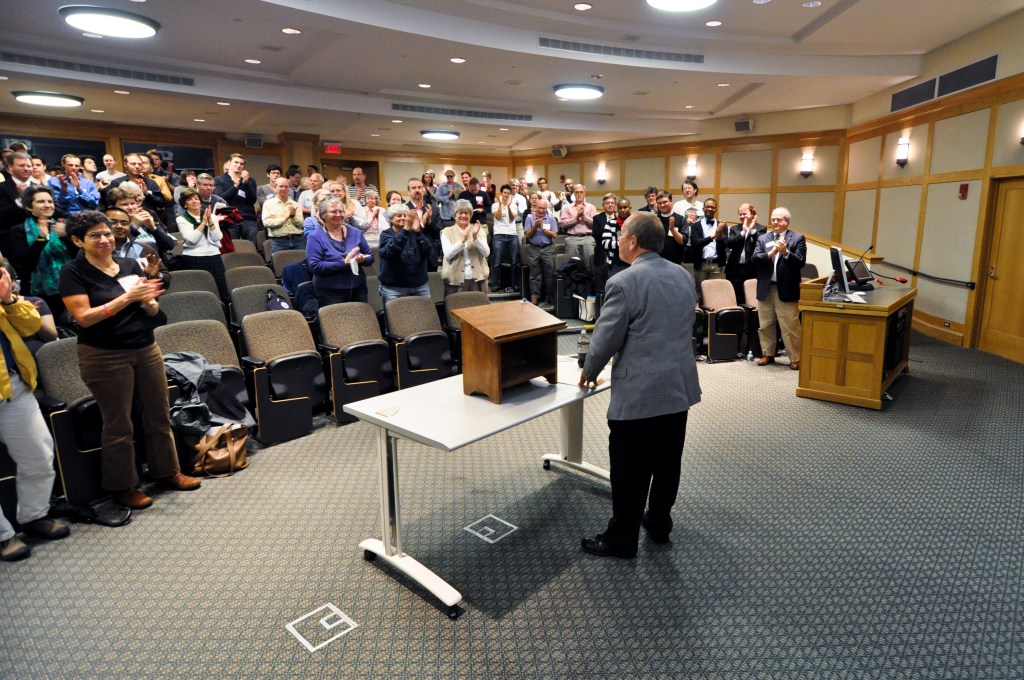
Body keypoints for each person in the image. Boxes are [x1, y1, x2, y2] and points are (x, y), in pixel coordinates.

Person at [578, 211, 701, 558]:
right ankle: (659, 523)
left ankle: (621, 539)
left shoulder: (623, 281)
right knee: (667, 463)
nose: (619, 241)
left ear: (633, 241)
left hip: (640, 394)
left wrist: (590, 368)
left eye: (621, 235)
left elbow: (607, 336)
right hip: (677, 387)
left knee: (630, 469)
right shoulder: (682, 275)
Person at [59, 211, 201, 510]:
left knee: (158, 414)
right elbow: (83, 318)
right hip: (104, 355)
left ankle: (168, 471)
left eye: (107, 233)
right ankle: (122, 486)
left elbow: (150, 309)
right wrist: (127, 298)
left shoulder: (129, 264)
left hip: (145, 347)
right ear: (78, 241)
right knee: (119, 423)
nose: (104, 239)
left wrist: (148, 302)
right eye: (95, 235)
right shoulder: (73, 272)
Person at [0, 264, 70, 562]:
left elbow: (32, 328)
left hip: (13, 385)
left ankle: (34, 516)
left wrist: (8, 299)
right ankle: (3, 536)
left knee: (39, 454)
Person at [7, 186, 74, 320]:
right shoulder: (18, 231)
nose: (47, 205)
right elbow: (24, 265)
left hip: (70, 287)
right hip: (38, 293)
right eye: (41, 201)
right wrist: (42, 238)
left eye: (50, 201)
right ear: (29, 207)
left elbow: (78, 256)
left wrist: (67, 235)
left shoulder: (64, 227)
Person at [751, 207, 806, 370]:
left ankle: (796, 357)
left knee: (790, 326)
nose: (775, 222)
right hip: (766, 288)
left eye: (779, 219)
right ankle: (768, 353)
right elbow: (755, 259)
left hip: (786, 289)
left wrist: (785, 252)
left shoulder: (797, 238)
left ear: (787, 221)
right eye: (773, 219)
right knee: (765, 324)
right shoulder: (763, 238)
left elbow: (800, 262)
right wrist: (771, 253)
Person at [305, 197, 372, 306]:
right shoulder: (315, 237)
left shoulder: (355, 232)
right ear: (323, 215)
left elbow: (370, 256)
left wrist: (363, 259)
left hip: (358, 288)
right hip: (330, 292)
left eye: (341, 211)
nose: (338, 215)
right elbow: (315, 266)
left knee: (361, 316)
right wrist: (344, 263)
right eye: (333, 212)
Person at [175, 188, 227, 298]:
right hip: (193, 257)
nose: (194, 201)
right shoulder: (181, 219)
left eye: (196, 199)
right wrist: (203, 223)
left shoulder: (211, 216)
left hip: (214, 256)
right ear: (185, 205)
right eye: (190, 199)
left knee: (220, 291)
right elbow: (191, 239)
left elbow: (217, 237)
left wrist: (210, 221)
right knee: (198, 291)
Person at [377, 205, 433, 306]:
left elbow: (429, 252)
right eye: (399, 215)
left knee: (425, 314)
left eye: (405, 215)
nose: (403, 218)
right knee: (395, 316)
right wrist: (406, 229)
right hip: (394, 289)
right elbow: (391, 251)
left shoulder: (415, 233)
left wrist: (418, 232)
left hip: (419, 286)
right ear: (391, 218)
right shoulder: (386, 234)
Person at [440, 199, 490, 295]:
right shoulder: (446, 231)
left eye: (466, 213)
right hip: (455, 281)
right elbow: (448, 255)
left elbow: (486, 253)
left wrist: (475, 238)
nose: (463, 216)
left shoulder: (478, 230)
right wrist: (462, 240)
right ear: (455, 215)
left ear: (470, 215)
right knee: (456, 305)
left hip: (478, 279)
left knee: (480, 304)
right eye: (460, 213)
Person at [214, 153, 259, 245]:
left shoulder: (250, 180)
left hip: (248, 218)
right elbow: (221, 198)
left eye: (241, 164)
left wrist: (245, 183)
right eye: (236, 162)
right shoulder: (219, 179)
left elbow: (252, 200)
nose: (239, 165)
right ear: (229, 163)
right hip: (229, 218)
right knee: (232, 247)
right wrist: (235, 186)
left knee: (252, 246)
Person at [689, 197, 727, 301]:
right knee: (699, 293)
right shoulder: (696, 226)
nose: (710, 209)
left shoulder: (722, 225)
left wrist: (720, 232)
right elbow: (695, 243)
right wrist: (712, 236)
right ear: (703, 208)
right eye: (707, 207)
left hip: (717, 265)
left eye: (712, 207)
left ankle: (714, 312)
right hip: (701, 264)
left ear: (716, 210)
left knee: (715, 293)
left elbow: (725, 245)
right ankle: (701, 311)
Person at [725, 203, 766, 302]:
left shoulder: (761, 229)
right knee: (735, 297)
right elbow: (730, 244)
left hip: (752, 268)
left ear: (753, 214)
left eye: (745, 214)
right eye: (740, 214)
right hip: (735, 269)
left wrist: (752, 230)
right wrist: (743, 232)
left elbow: (761, 244)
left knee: (751, 297)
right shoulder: (734, 229)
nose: (742, 216)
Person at [524, 198, 559, 306]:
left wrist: (543, 229)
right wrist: (535, 226)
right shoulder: (530, 218)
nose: (541, 210)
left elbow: (555, 235)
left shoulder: (551, 218)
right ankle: (534, 296)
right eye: (539, 208)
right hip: (534, 248)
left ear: (546, 208)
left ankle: (549, 296)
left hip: (548, 248)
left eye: (543, 208)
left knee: (549, 273)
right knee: (534, 274)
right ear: (535, 207)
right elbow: (527, 235)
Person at [558, 184, 598, 271]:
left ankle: (590, 279)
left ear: (584, 193)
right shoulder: (567, 208)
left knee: (589, 265)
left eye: (581, 192)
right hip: (572, 238)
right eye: (577, 192)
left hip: (588, 238)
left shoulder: (591, 207)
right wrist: (576, 218)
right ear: (574, 194)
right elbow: (562, 224)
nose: (579, 194)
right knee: (572, 265)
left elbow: (595, 224)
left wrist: (584, 216)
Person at [261, 177, 306, 253]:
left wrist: (293, 217)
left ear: (289, 189)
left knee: (302, 260)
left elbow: (301, 224)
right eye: (281, 186)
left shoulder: (295, 204)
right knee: (279, 261)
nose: (284, 189)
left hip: (298, 240)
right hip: (279, 242)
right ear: (275, 188)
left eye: (286, 186)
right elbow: (266, 223)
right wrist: (285, 218)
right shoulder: (268, 204)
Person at [490, 184, 520, 293]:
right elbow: (498, 217)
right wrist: (500, 204)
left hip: (512, 235)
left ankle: (515, 284)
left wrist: (508, 206)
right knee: (497, 261)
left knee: (514, 261)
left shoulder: (513, 205)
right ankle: (495, 284)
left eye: (508, 193)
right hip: (499, 235)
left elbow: (512, 218)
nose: (506, 195)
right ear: (501, 193)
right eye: (505, 193)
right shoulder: (494, 205)